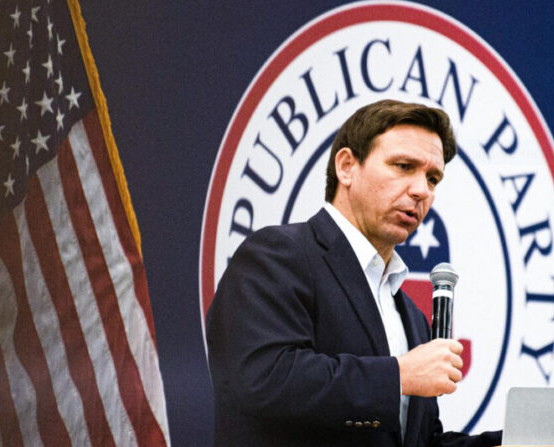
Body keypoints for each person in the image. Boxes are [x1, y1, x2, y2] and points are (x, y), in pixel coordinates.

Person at [206, 99, 502, 446]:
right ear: (347, 166)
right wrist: (399, 376)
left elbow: (419, 443)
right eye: (404, 166)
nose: (422, 190)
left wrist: (519, 442)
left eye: (433, 178)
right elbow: (263, 381)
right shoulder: (278, 255)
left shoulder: (411, 316)